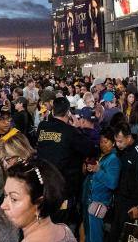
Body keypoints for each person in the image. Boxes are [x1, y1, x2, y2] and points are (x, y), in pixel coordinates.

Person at [2, 157, 83, 242]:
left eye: (14, 199)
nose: (3, 205)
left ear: (38, 204)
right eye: (5, 195)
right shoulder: (66, 232)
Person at [36, 97, 95, 229]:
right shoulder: (70, 132)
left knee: (46, 225)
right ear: (68, 112)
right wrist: (79, 129)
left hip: (44, 185)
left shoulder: (42, 126)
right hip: (64, 187)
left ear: (53, 111)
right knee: (62, 227)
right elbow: (90, 149)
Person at [81, 127, 120, 242]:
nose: (103, 144)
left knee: (96, 232)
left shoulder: (114, 160)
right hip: (92, 198)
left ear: (113, 143)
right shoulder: (104, 156)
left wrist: (98, 170)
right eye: (101, 141)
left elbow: (112, 183)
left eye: (106, 141)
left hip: (100, 201)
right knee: (90, 230)